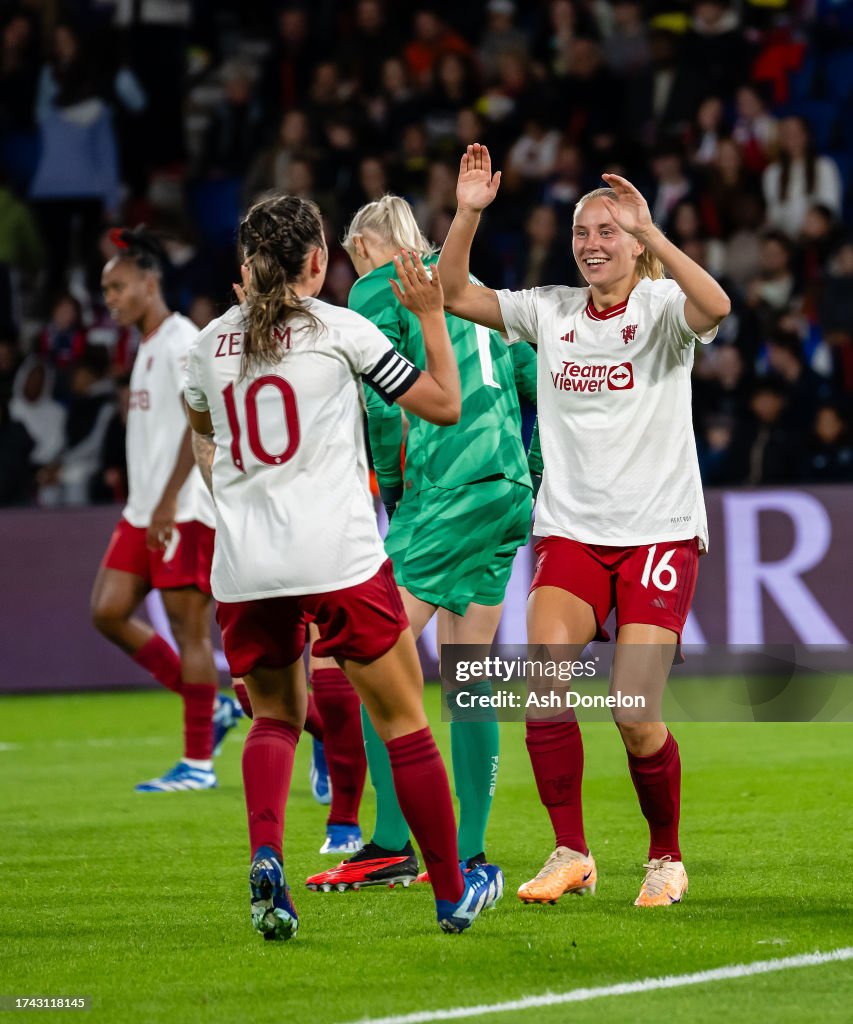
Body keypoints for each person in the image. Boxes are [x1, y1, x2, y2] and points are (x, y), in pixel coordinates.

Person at [184, 194, 503, 939]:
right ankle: (451, 892)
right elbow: (446, 405)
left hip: (247, 565)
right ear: (320, 263)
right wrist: (429, 316)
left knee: (274, 719)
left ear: (244, 266)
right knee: (404, 720)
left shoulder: (205, 344)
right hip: (336, 557)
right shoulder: (342, 331)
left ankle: (268, 857)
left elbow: (206, 435)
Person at [438, 144, 730, 908]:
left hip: (657, 531)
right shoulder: (550, 311)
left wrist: (657, 232)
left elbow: (717, 307)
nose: (593, 244)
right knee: (543, 686)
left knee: (633, 710)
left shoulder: (662, 311)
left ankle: (664, 857)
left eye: (608, 231)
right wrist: (467, 212)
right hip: (569, 530)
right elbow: (452, 293)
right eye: (582, 232)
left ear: (634, 244)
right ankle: (570, 850)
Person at [305, 194, 540, 888]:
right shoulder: (471, 286)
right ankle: (470, 853)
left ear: (364, 246)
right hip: (505, 491)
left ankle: (388, 843)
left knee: (369, 650)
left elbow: (382, 404)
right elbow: (539, 381)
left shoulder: (378, 288)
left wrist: (391, 491)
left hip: (445, 488)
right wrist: (535, 476)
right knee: (468, 673)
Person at [90, 227, 241, 793]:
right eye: (106, 291)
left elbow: (195, 426)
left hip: (178, 509)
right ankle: (214, 709)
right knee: (107, 610)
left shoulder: (182, 340)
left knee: (191, 631)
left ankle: (198, 764)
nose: (111, 300)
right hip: (143, 508)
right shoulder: (148, 344)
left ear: (150, 283)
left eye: (119, 287)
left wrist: (170, 500)